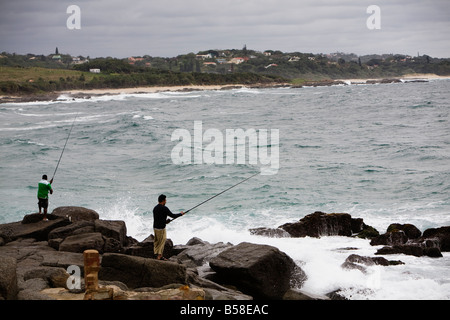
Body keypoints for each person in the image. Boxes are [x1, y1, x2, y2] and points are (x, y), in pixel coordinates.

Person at [153, 194, 184, 260]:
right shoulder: (164, 208)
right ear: (163, 200)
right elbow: (173, 215)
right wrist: (180, 214)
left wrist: (166, 221)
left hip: (155, 227)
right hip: (161, 228)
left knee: (157, 241)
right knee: (162, 241)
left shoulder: (155, 208)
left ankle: (156, 254)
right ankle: (159, 256)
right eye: (165, 200)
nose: (166, 201)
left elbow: (158, 219)